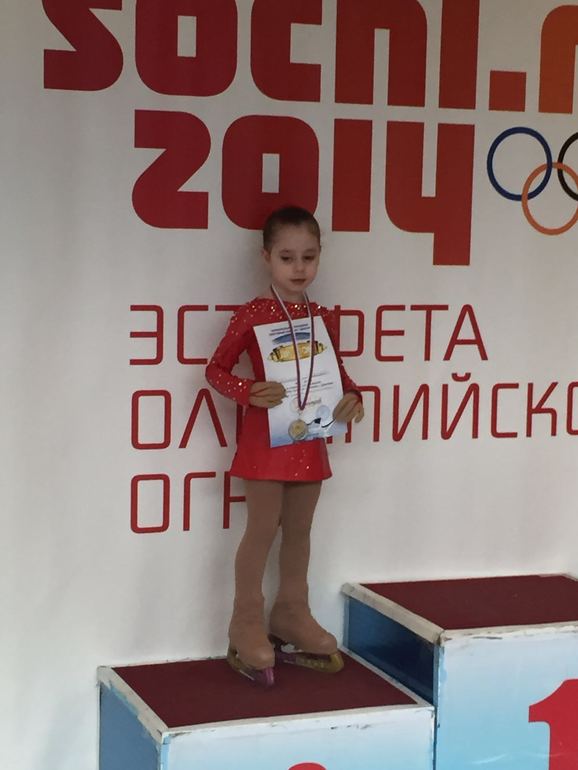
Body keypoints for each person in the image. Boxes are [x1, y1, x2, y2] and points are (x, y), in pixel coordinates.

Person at [205, 206, 363, 686]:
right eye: (287, 257)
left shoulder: (320, 317)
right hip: (266, 443)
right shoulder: (253, 314)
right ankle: (245, 621)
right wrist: (246, 390)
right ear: (266, 258)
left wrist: (353, 398)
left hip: (309, 441)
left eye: (308, 257)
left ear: (320, 256)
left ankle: (292, 611)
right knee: (261, 530)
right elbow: (215, 370)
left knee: (300, 531)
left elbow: (336, 375)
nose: (299, 268)